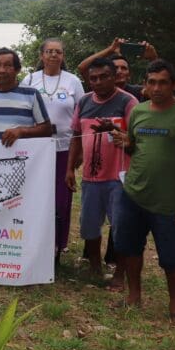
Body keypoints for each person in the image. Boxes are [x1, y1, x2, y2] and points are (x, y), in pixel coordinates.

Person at [111, 60, 175, 323]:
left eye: (163, 82)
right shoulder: (138, 111)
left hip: (169, 200)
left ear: (174, 84)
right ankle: (134, 295)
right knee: (130, 247)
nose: (156, 88)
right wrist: (125, 142)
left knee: (171, 255)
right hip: (132, 193)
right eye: (151, 82)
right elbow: (135, 147)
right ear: (145, 84)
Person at [66, 57, 136, 283]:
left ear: (115, 77)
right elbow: (75, 137)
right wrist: (70, 169)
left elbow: (138, 139)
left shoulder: (128, 102)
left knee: (121, 227)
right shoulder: (84, 102)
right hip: (90, 177)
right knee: (89, 225)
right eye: (93, 78)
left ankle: (119, 273)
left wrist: (119, 133)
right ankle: (95, 268)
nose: (98, 82)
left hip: (119, 177)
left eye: (104, 77)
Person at [23, 38, 86, 259]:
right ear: (41, 55)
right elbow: (22, 109)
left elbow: (82, 114)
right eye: (48, 51)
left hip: (64, 147)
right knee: (34, 194)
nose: (53, 55)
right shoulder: (30, 79)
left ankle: (59, 243)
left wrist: (80, 150)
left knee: (61, 196)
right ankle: (32, 239)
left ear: (63, 56)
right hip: (36, 147)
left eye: (57, 52)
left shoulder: (73, 81)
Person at [76, 38, 158, 101]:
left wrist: (153, 58)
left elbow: (156, 87)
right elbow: (82, 67)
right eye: (115, 68)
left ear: (129, 75)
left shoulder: (138, 92)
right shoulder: (100, 88)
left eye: (124, 68)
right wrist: (110, 49)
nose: (119, 71)